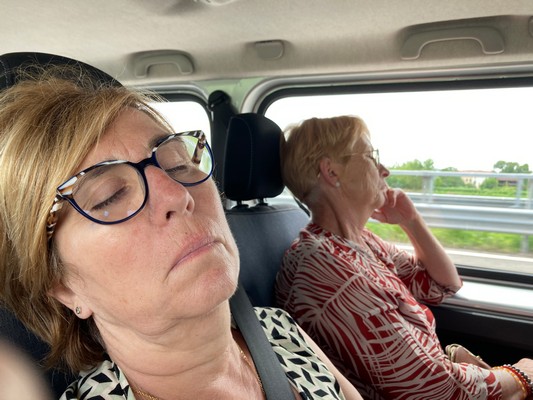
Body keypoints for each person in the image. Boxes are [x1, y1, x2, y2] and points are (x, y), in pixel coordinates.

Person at [0, 66, 364, 400]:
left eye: (177, 162)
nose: (178, 194)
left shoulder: (280, 330)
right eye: (109, 196)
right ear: (63, 286)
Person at [275, 115, 533, 400]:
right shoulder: (327, 268)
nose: (384, 170)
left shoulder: (359, 242)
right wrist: (520, 375)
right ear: (331, 171)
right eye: (371, 156)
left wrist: (411, 221)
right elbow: (434, 390)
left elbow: (442, 284)